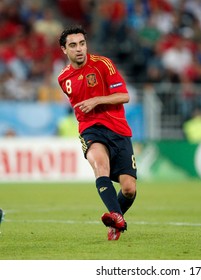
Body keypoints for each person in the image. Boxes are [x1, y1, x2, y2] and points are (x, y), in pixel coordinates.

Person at [57, 26, 137, 241]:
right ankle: (117, 218)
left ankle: (115, 221)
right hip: (90, 129)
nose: (79, 49)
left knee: (129, 189)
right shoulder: (64, 78)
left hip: (118, 129)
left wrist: (97, 100)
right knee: (100, 165)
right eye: (73, 45)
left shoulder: (103, 64)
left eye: (82, 43)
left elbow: (124, 96)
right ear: (64, 50)